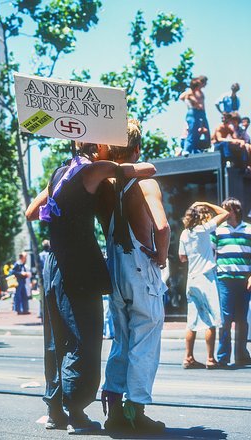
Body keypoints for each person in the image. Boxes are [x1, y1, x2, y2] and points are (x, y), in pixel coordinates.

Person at [25, 143, 156, 434]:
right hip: (79, 264)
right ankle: (76, 413)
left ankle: (55, 411)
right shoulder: (93, 170)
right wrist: (109, 172)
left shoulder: (61, 173)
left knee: (56, 338)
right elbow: (148, 169)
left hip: (55, 262)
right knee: (84, 336)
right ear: (97, 145)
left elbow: (31, 211)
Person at [99, 121, 170, 435]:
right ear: (138, 148)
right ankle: (135, 411)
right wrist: (163, 256)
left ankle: (114, 406)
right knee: (146, 338)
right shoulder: (144, 182)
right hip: (141, 267)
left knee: (122, 339)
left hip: (116, 268)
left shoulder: (108, 185)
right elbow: (163, 227)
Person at [179, 202, 229, 369]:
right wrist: (204, 203)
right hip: (206, 278)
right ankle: (210, 358)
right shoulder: (204, 230)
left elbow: (182, 257)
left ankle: (188, 357)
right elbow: (225, 214)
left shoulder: (184, 234)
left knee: (191, 321)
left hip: (191, 278)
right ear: (201, 217)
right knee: (211, 319)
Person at [211, 198, 251, 366]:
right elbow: (210, 254)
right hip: (224, 280)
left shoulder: (250, 229)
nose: (223, 213)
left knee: (242, 319)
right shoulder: (217, 230)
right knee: (225, 319)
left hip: (244, 280)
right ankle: (223, 357)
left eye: (226, 210)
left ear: (235, 210)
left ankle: (242, 355)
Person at [180, 75, 211, 155]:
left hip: (202, 113)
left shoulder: (201, 92)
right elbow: (182, 97)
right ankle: (187, 149)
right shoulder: (191, 91)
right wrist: (194, 103)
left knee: (204, 131)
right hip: (194, 111)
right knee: (192, 131)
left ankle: (197, 149)